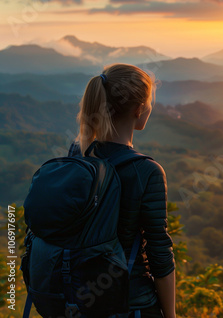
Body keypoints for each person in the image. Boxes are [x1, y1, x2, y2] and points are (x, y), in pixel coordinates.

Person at [67, 63, 176, 318]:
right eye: (149, 102)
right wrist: (170, 315)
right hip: (129, 302)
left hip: (78, 298)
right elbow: (159, 254)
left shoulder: (79, 155)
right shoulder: (146, 170)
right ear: (139, 109)